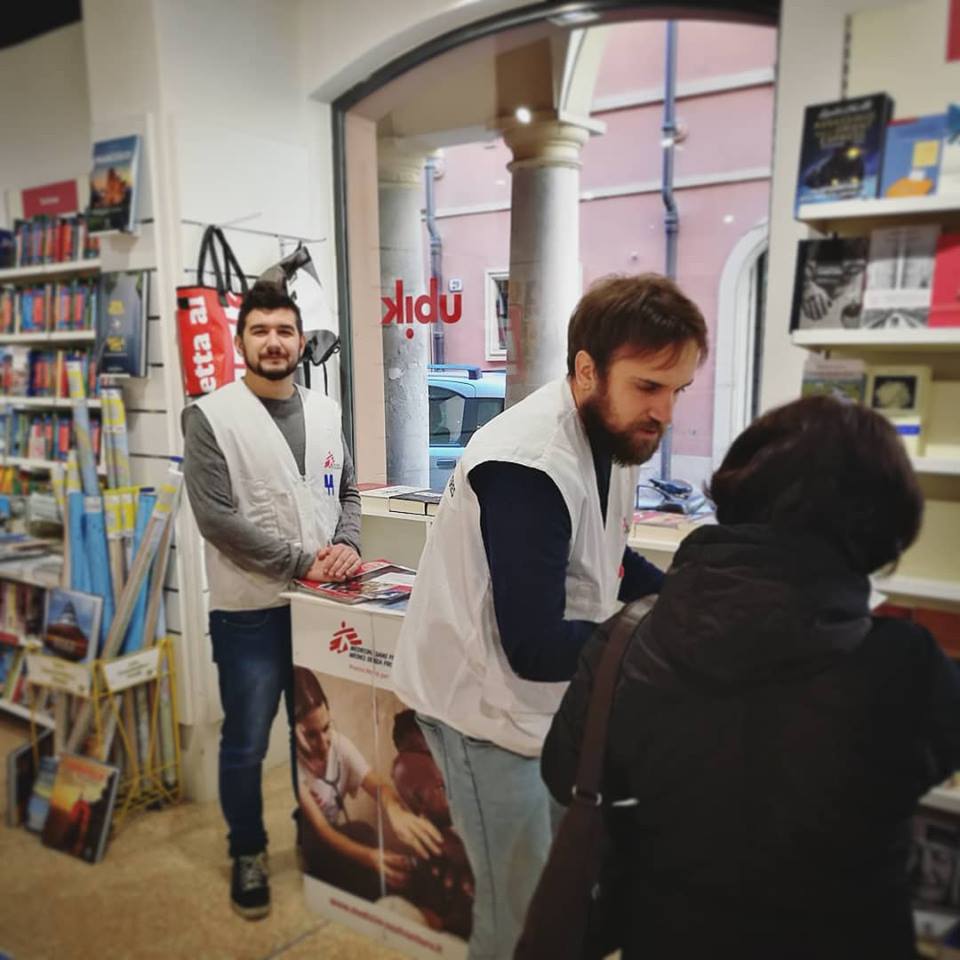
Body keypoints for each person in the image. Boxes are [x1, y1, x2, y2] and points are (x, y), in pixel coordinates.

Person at [541, 394, 960, 960]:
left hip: (667, 936)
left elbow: (564, 772)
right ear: (879, 526)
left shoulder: (626, 642)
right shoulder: (905, 668)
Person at [391, 273, 709, 958]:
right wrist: (666, 641)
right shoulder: (527, 466)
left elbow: (606, 556)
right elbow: (532, 646)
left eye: (678, 390)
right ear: (587, 370)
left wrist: (688, 601)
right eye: (649, 386)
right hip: (482, 712)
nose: (664, 411)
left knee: (561, 892)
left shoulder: (614, 431)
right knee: (517, 919)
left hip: (549, 708)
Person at [182, 281, 363, 920]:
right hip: (249, 611)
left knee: (313, 737)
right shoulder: (211, 417)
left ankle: (313, 835)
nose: (274, 342)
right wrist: (303, 562)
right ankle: (247, 852)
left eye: (284, 330)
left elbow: (347, 492)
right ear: (241, 342)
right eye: (260, 330)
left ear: (300, 340)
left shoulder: (326, 411)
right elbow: (217, 520)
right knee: (248, 741)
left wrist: (347, 545)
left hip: (320, 608)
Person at [293, 668, 443, 901]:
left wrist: (394, 810)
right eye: (310, 735)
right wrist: (370, 857)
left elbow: (378, 784)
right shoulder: (293, 762)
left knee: (363, 832)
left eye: (326, 728)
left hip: (332, 835)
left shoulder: (340, 745)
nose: (323, 744)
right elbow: (322, 829)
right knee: (351, 866)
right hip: (307, 842)